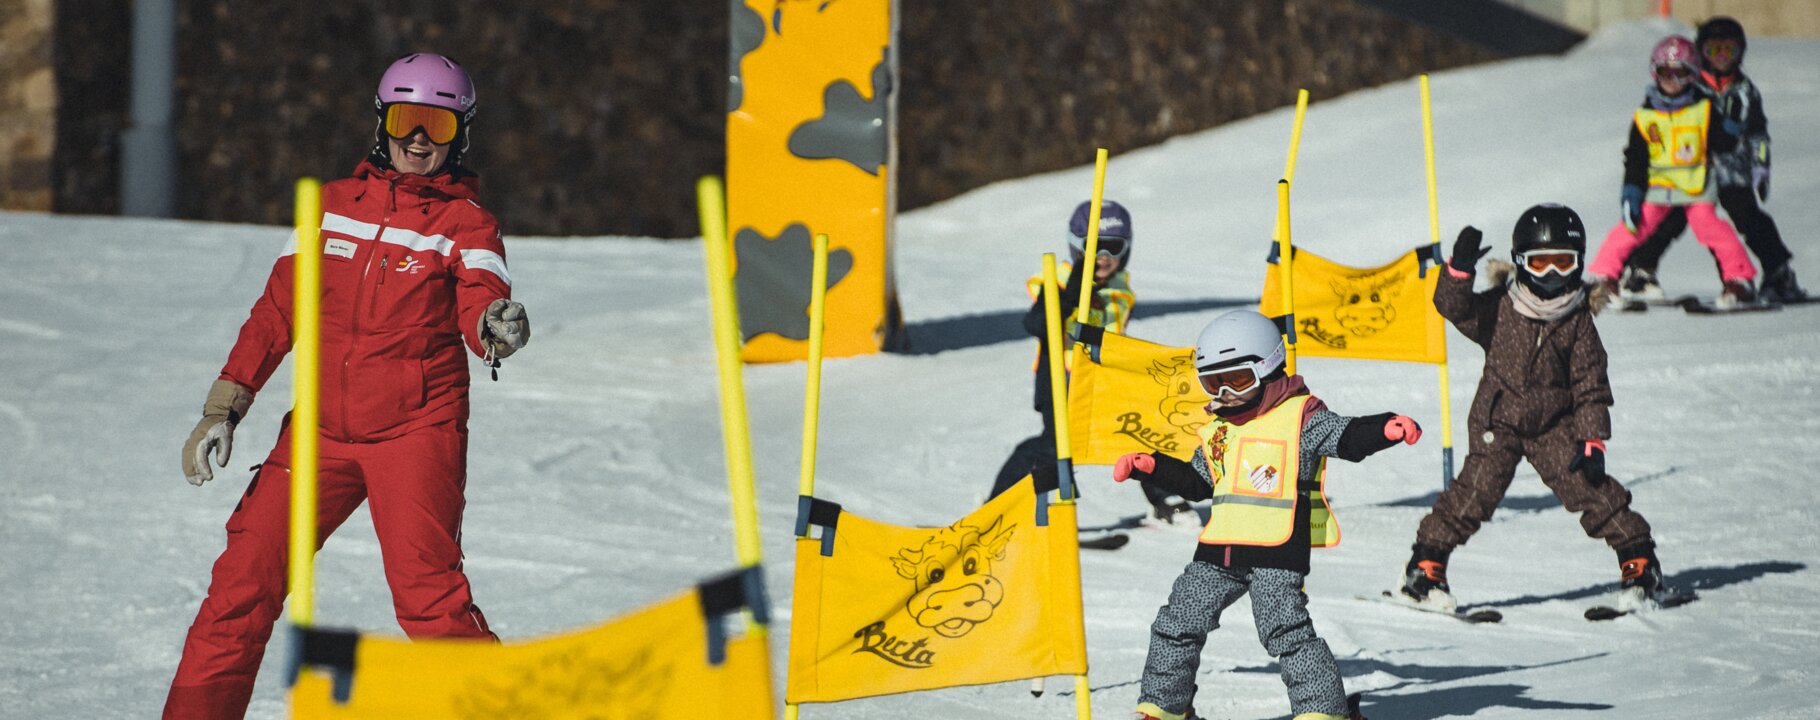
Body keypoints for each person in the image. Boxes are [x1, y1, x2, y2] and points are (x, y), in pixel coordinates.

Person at [164, 53, 530, 720]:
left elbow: (480, 297)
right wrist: (226, 406)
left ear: (461, 136)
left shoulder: (466, 224)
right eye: (406, 120)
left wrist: (492, 327)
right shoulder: (331, 207)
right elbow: (278, 311)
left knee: (430, 603)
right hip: (321, 432)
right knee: (238, 591)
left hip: (415, 432)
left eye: (438, 127)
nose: (419, 139)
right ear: (382, 122)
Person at [1115, 309, 1418, 720]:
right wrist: (1153, 466)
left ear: (1268, 367)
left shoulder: (1300, 418)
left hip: (1276, 549)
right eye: (1212, 382)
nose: (1224, 393)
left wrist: (1385, 428)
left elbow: (1345, 436)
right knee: (1177, 621)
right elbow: (1199, 483)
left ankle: (1323, 711)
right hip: (1219, 549)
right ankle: (1164, 709)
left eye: (1237, 379)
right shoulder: (1219, 430)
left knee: (1285, 631)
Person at [1400, 206, 1665, 616]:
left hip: (1554, 427)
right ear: (1521, 263)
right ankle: (1425, 567)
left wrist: (1592, 439)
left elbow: (1591, 384)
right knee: (1475, 494)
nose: (1552, 276)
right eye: (1540, 264)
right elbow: (1454, 308)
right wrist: (1459, 269)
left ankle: (1640, 563)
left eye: (1564, 263)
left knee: (1589, 489)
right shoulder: (1501, 307)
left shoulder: (1577, 321)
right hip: (1498, 422)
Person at [1621, 17, 1805, 303]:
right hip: (1691, 172)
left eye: (1728, 51)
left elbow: (1758, 134)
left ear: (1740, 53)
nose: (1721, 59)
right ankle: (1641, 269)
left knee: (1747, 218)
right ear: (1700, 54)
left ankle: (1775, 273)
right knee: (1672, 217)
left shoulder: (1745, 92)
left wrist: (1760, 166)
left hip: (1733, 170)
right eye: (1713, 51)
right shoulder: (1689, 85)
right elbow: (1656, 119)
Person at [989, 200, 1152, 504]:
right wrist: (1068, 298)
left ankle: (1166, 500)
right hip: (1060, 383)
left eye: (1112, 248)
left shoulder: (1120, 290)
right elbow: (1035, 323)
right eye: (1094, 249)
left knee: (1138, 435)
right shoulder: (1058, 280)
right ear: (1077, 247)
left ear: (1126, 249)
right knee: (1054, 448)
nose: (1102, 258)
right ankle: (998, 508)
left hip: (1102, 384)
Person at [1587, 35, 1756, 308]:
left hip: (1696, 186)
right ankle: (1603, 278)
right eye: (1666, 73)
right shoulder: (1646, 115)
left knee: (1709, 227)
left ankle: (1740, 280)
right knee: (1633, 227)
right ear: (1655, 73)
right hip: (1659, 188)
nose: (1672, 81)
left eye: (1681, 74)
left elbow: (1722, 141)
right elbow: (1636, 157)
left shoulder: (1703, 108)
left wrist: (1732, 128)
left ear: (1692, 76)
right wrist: (1631, 190)